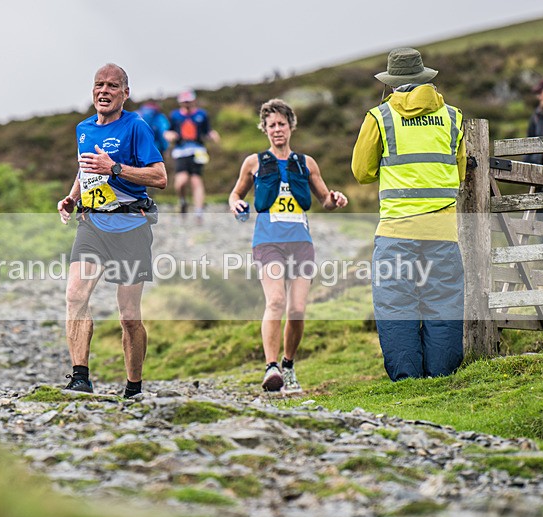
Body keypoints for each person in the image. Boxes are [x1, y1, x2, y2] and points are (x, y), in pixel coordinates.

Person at [351, 47, 466, 382]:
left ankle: (407, 380)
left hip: (396, 231)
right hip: (443, 231)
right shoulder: (453, 117)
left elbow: (361, 171)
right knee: (443, 303)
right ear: (423, 78)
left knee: (396, 304)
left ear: (392, 83)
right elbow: (457, 172)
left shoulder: (380, 117)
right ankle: (442, 376)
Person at [57, 63, 167, 397]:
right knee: (75, 295)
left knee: (129, 314)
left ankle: (134, 386)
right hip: (92, 225)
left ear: (125, 93)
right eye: (99, 85)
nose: (104, 91)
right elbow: (84, 168)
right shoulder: (83, 128)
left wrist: (115, 167)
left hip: (131, 227)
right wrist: (73, 197)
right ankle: (80, 377)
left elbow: (160, 177)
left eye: (112, 86)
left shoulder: (136, 127)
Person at [229, 98, 348, 392]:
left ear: (291, 126)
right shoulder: (253, 162)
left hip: (301, 244)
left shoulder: (306, 163)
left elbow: (325, 201)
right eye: (271, 125)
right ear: (265, 129)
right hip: (268, 242)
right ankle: (271, 368)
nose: (277, 129)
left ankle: (289, 364)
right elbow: (235, 195)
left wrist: (335, 199)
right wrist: (237, 204)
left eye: (282, 124)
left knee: (296, 309)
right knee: (276, 301)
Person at [164, 90, 220, 220]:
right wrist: (169, 136)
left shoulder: (202, 115)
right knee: (181, 181)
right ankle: (183, 201)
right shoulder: (175, 115)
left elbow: (207, 131)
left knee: (196, 180)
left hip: (198, 150)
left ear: (193, 101)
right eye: (184, 102)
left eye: (188, 102)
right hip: (181, 151)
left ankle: (199, 211)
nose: (186, 104)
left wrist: (213, 135)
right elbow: (168, 131)